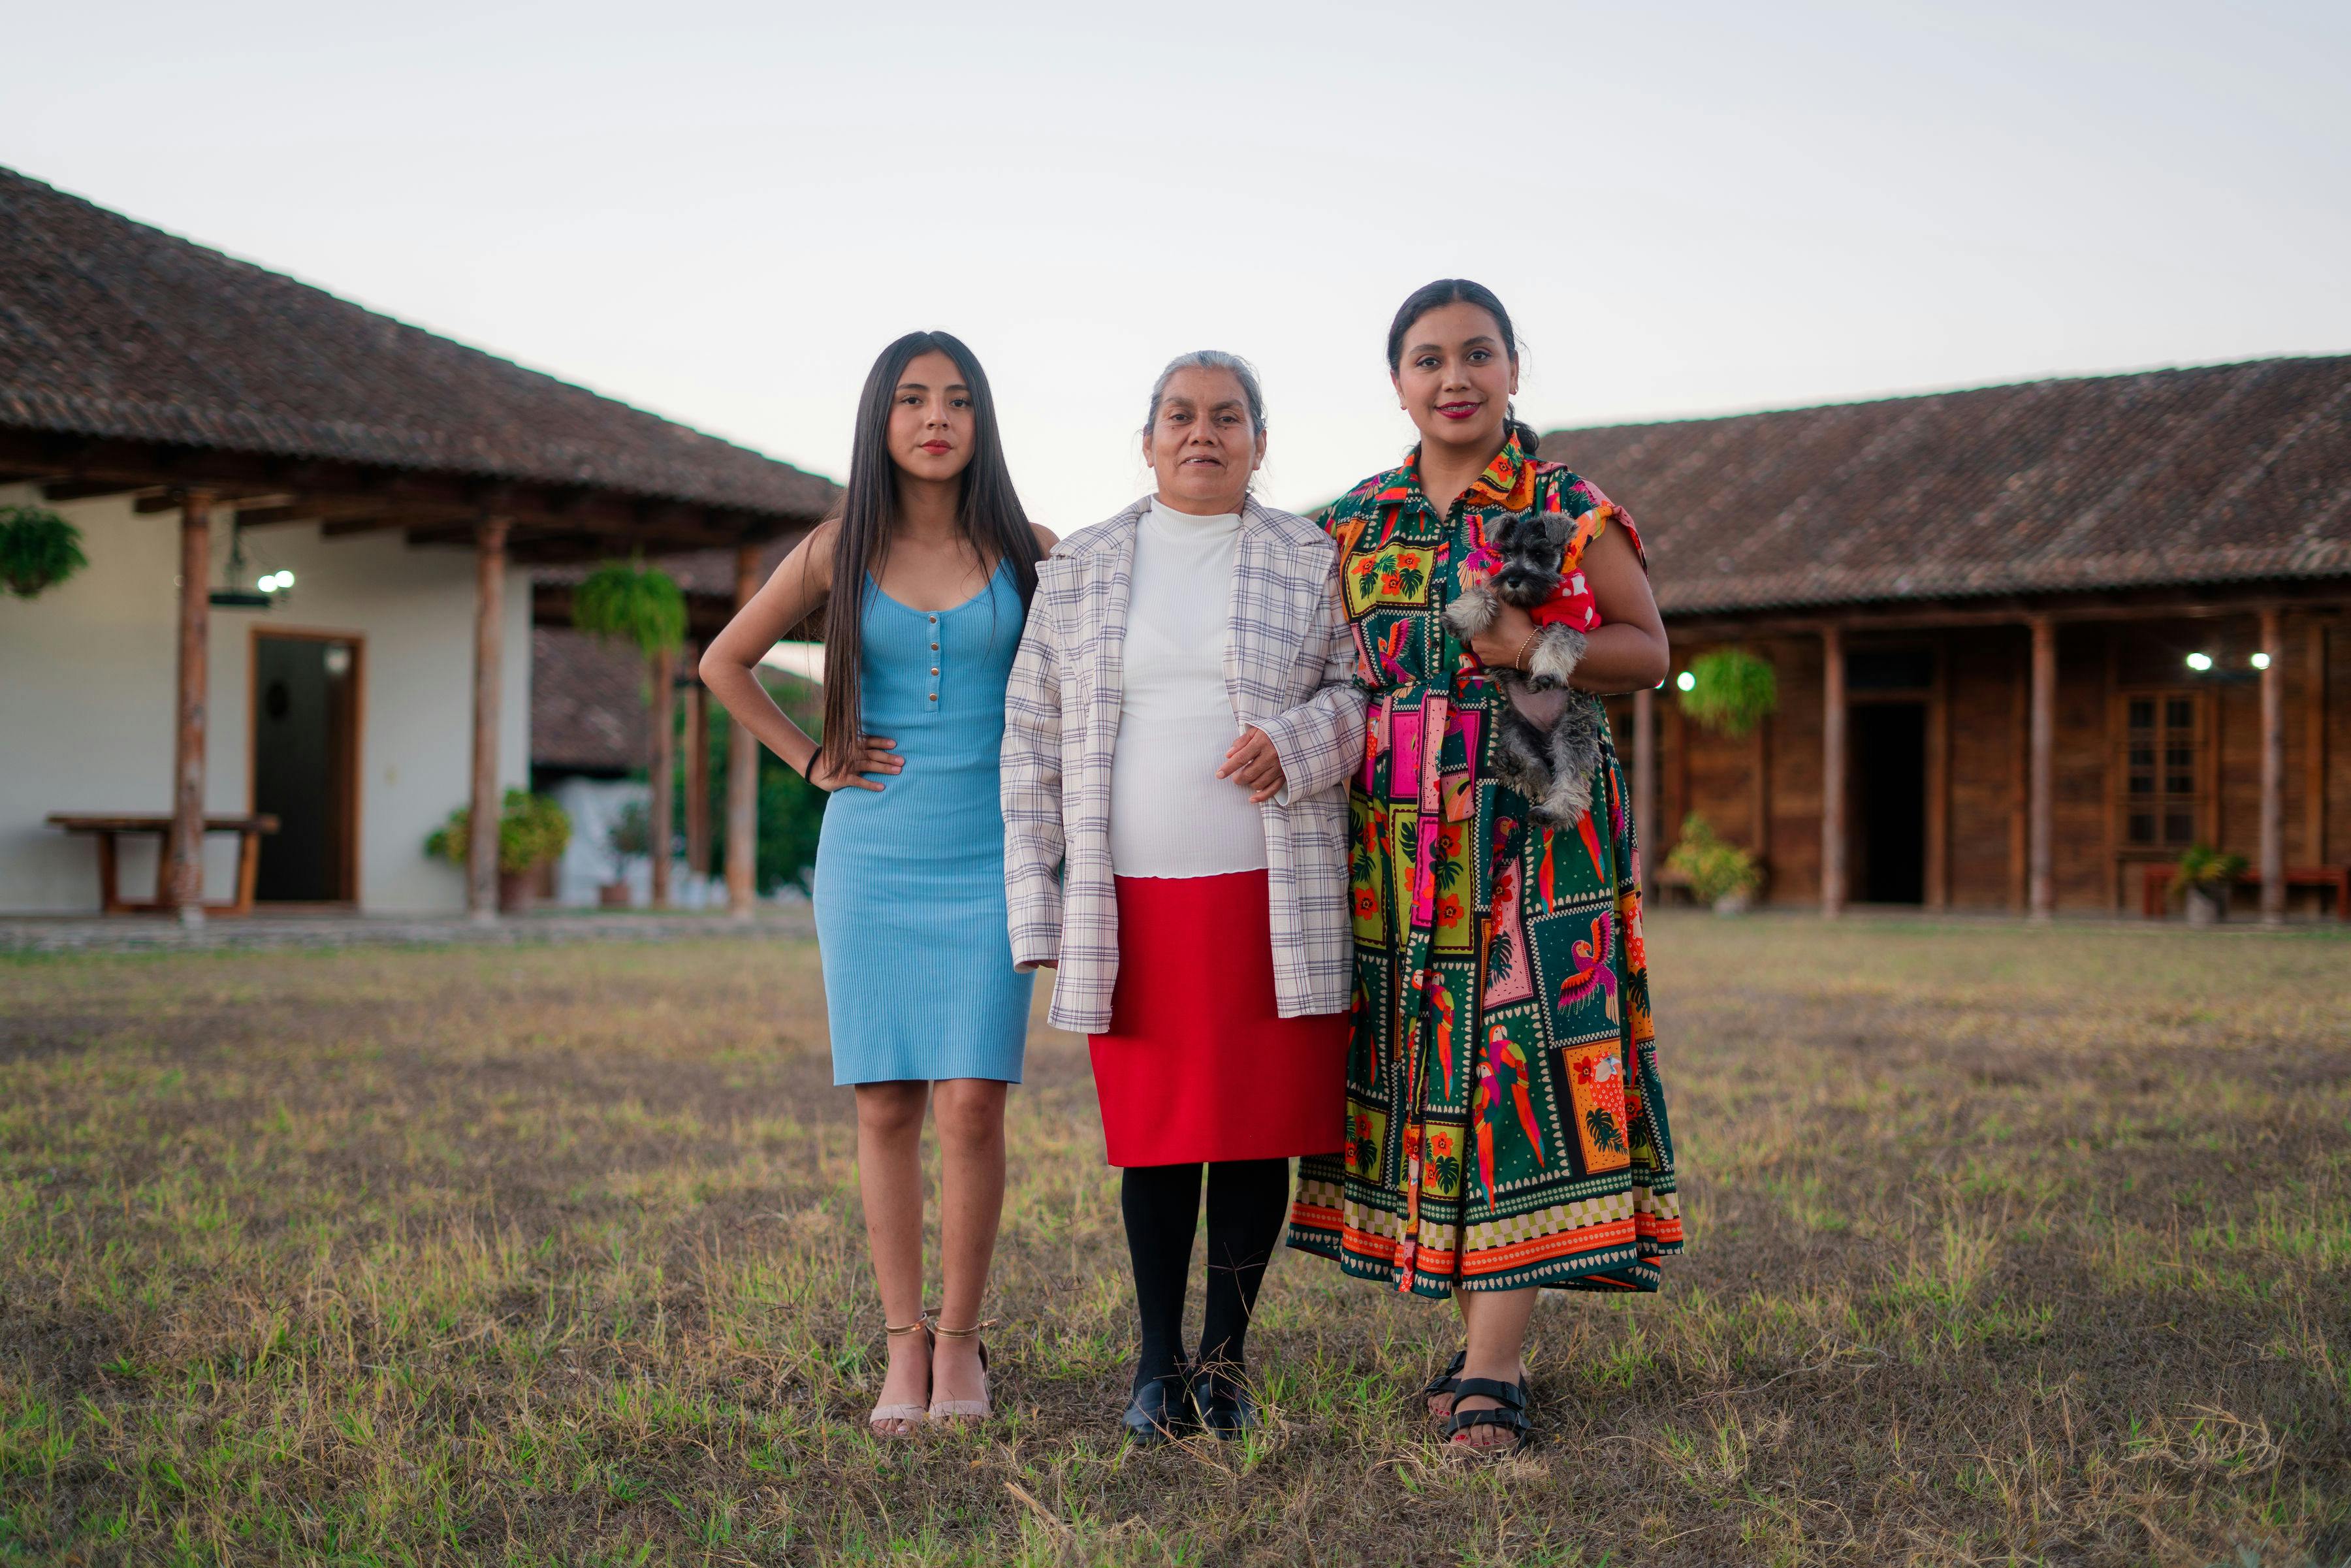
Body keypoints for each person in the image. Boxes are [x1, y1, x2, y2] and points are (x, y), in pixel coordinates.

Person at [1286, 280, 1685, 1455]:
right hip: (1397, 848)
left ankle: (1494, 1374)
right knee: (1440, 1076)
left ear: (1514, 367)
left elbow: (1647, 650)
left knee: (1519, 1064)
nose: (1453, 376)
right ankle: (1478, 1347)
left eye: (1476, 354)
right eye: (1427, 358)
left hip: (1535, 823)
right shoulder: (1354, 523)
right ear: (1397, 381)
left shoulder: (1566, 506)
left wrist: (1532, 644)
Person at [1000, 351, 1364, 1442]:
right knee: (1158, 1137)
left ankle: (1228, 1361)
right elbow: (1030, 739)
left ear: (1260, 439)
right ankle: (1157, 1365)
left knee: (1254, 1134)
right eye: (1180, 416)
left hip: (1274, 896)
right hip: (1133, 903)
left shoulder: (1308, 555)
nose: (1202, 433)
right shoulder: (1085, 564)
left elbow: (1361, 693)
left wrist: (1300, 741)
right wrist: (1041, 904)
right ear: (1147, 438)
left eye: (1227, 417)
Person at [700, 330, 1053, 1437]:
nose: (935, 417)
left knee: (973, 1104)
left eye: (955, 399)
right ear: (881, 420)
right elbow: (724, 662)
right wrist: (811, 757)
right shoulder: (834, 549)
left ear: (981, 421)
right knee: (889, 1100)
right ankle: (904, 1345)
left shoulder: (1033, 550)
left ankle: (962, 1343)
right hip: (873, 857)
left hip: (990, 856)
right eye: (911, 400)